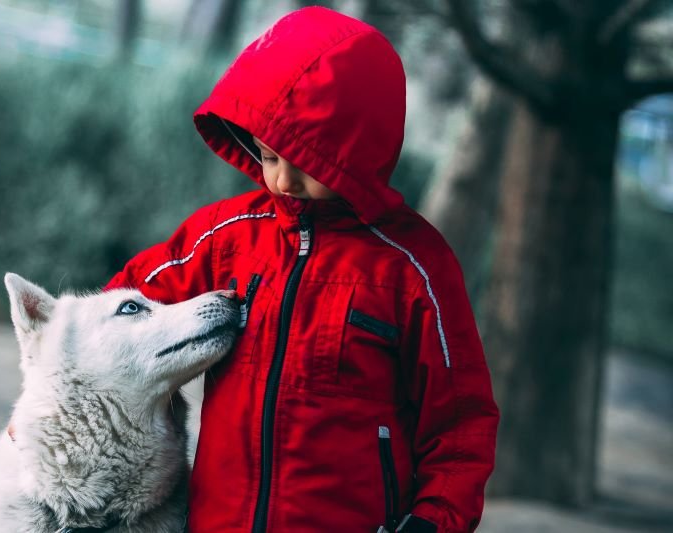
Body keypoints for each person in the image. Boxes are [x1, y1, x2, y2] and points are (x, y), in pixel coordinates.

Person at [106, 6, 499, 533]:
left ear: (360, 150)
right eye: (269, 156)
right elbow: (115, 315)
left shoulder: (414, 269)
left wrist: (433, 522)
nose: (283, 182)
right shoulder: (226, 237)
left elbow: (459, 424)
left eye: (308, 163)